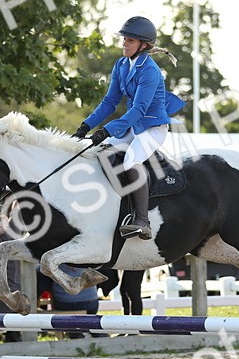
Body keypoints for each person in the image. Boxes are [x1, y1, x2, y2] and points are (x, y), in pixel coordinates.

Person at [74, 16, 186, 240]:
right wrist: (86, 125)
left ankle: (142, 221)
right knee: (100, 152)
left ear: (144, 45)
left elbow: (139, 110)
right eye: (124, 39)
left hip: (152, 126)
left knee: (131, 160)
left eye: (130, 41)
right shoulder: (121, 64)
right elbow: (109, 102)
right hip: (133, 126)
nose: (125, 43)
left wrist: (107, 130)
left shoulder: (150, 71)